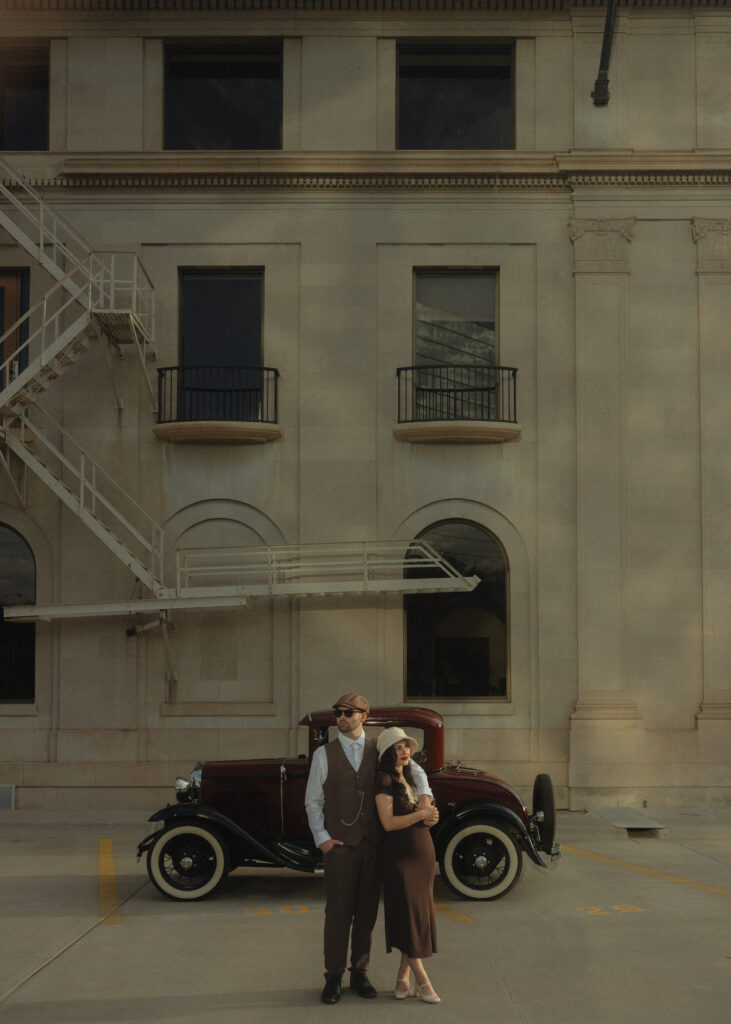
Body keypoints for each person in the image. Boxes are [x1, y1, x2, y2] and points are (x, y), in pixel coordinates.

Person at [305, 694, 434, 1004]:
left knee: (366, 914)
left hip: (375, 846)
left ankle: (360, 973)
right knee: (337, 914)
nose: (341, 717)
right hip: (340, 847)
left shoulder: (380, 747)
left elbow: (416, 772)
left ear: (364, 715)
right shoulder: (324, 755)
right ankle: (333, 976)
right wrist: (323, 839)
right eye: (338, 713)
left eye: (348, 712)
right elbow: (313, 801)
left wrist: (427, 800)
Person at [374, 727, 441, 1003]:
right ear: (389, 752)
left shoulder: (412, 774)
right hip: (399, 855)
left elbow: (424, 806)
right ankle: (422, 979)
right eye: (398, 747)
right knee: (407, 914)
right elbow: (388, 823)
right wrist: (421, 814)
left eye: (406, 746)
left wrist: (430, 815)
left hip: (423, 853)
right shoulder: (384, 779)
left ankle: (402, 978)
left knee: (417, 915)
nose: (405, 751)